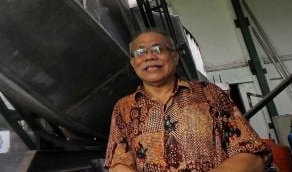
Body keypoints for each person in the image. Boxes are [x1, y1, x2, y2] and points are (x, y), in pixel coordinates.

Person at [105, 29, 273, 172]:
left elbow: (253, 155)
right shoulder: (123, 107)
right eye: (140, 52)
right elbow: (118, 164)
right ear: (133, 63)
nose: (149, 56)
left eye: (157, 49)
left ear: (175, 57)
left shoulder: (209, 94)